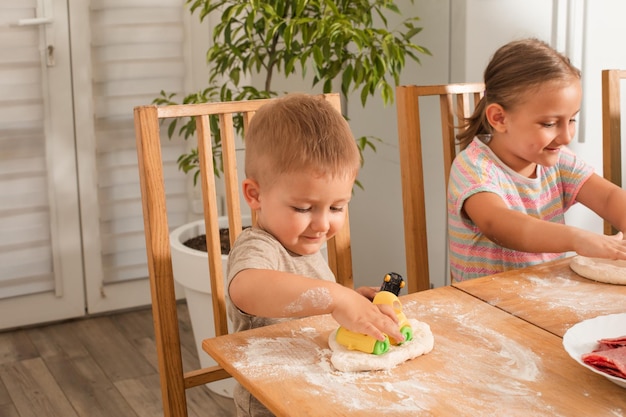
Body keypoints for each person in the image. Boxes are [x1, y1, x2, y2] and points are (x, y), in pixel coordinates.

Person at [226, 93, 404, 417]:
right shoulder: (259, 246)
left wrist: (352, 300)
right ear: (255, 195)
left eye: (337, 207)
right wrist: (336, 298)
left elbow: (309, 303)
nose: (323, 224)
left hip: (323, 391)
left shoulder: (304, 241)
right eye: (303, 208)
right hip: (275, 402)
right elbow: (246, 289)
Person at [447, 38, 626, 282]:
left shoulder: (559, 160)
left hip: (548, 294)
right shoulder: (473, 167)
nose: (566, 136)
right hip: (484, 307)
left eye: (572, 120)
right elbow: (498, 223)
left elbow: (608, 198)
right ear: (499, 118)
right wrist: (577, 238)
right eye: (550, 124)